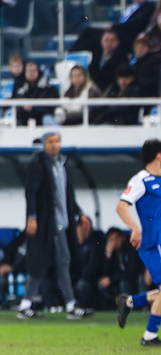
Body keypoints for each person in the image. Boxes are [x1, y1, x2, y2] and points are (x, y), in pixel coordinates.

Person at [113, 139, 161, 346]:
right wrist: (135, 228)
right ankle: (150, 336)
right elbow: (121, 207)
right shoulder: (141, 180)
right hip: (153, 244)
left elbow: (159, 215)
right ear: (159, 156)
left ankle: (129, 302)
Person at [18, 131, 91, 320]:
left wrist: (79, 212)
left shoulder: (63, 165)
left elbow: (66, 195)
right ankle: (69, 305)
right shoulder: (38, 164)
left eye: (57, 141)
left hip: (61, 222)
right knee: (49, 263)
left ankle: (31, 304)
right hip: (46, 224)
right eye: (50, 141)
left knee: (60, 263)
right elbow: (31, 192)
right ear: (44, 144)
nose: (54, 145)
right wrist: (32, 217)